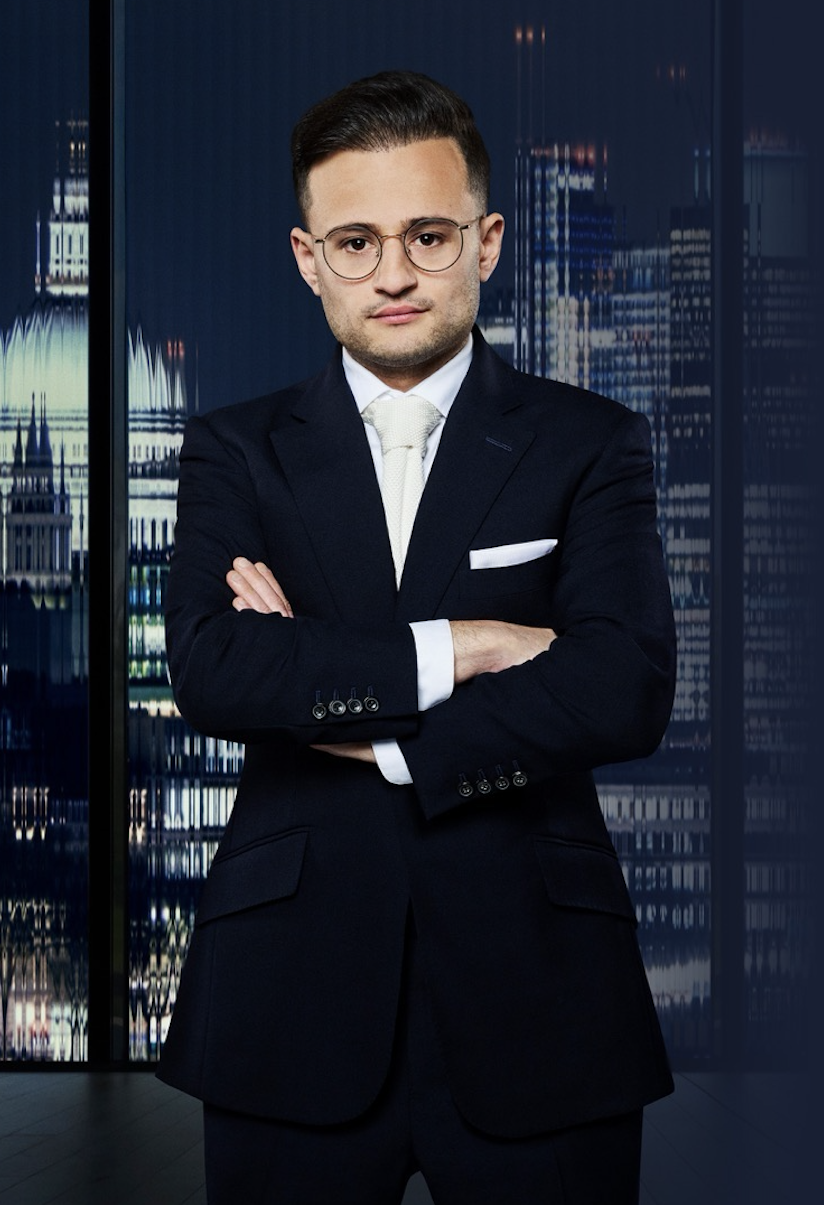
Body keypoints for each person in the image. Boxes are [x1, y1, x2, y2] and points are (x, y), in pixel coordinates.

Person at [158, 70, 676, 1205]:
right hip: (285, 989)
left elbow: (619, 682)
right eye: (353, 242)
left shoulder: (589, 442)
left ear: (486, 241)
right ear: (307, 258)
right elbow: (211, 664)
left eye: (426, 235)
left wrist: (365, 724)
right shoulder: (235, 449)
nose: (390, 273)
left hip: (540, 987)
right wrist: (470, 643)